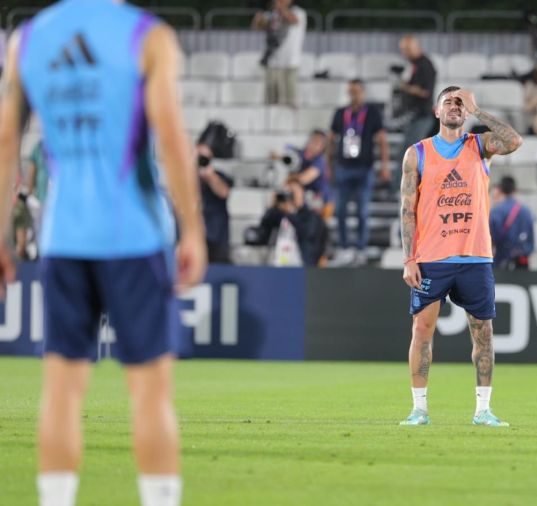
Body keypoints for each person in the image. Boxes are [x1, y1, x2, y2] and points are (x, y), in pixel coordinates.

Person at [0, 2, 207, 505]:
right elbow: (172, 139)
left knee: (62, 391)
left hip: (63, 238)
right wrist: (193, 230)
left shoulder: (26, 39)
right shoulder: (146, 35)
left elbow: (7, 140)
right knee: (150, 395)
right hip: (133, 237)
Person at [398, 86, 522, 427]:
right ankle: (418, 409)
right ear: (437, 112)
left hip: (475, 256)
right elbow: (407, 209)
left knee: (482, 332)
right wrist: (409, 258)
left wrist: (478, 111)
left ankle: (483, 410)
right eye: (448, 102)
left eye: (460, 103)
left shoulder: (479, 145)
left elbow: (514, 141)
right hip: (432, 257)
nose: (455, 107)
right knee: (422, 330)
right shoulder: (418, 153)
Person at [327, 79, 390, 266]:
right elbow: (331, 139)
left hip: (364, 168)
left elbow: (382, 139)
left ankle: (360, 249)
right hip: (343, 167)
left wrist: (385, 166)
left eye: (356, 91)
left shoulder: (371, 113)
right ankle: (345, 248)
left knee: (362, 211)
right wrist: (329, 166)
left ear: (363, 92)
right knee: (340, 211)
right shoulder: (341, 113)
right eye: (350, 92)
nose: (353, 95)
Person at [258, 180, 328, 267]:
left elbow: (307, 233)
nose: (289, 195)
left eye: (292, 192)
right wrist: (273, 205)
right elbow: (263, 230)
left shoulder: (310, 215)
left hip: (303, 266)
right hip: (278, 264)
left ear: (301, 193)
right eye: (287, 192)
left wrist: (291, 212)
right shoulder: (278, 214)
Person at [252, 0, 306, 107]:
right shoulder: (272, 13)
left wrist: (280, 8)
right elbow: (257, 26)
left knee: (289, 100)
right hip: (272, 61)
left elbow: (293, 20)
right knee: (270, 99)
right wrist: (258, 19)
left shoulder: (299, 12)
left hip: (290, 62)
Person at [271, 129, 332, 218]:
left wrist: (289, 180)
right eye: (313, 140)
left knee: (295, 188)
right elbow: (288, 157)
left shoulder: (320, 161)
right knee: (279, 192)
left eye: (318, 143)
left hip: (321, 204)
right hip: (305, 198)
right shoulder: (301, 154)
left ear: (322, 147)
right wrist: (278, 157)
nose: (314, 144)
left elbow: (304, 179)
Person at [397, 35, 437, 168]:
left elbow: (426, 92)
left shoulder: (425, 65)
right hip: (415, 115)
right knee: (409, 151)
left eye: (407, 50)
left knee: (410, 152)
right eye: (403, 50)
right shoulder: (414, 65)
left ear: (416, 48)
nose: (405, 53)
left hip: (422, 116)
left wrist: (406, 87)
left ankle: (403, 186)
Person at [197, 143, 234, 264]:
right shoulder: (188, 177)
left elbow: (224, 192)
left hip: (216, 237)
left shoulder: (218, 176)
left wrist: (210, 176)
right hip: (196, 235)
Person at [489, 176, 535, 271]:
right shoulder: (527, 212)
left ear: (500, 190)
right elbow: (531, 244)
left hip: (500, 262)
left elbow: (490, 239)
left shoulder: (496, 211)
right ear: (515, 190)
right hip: (521, 263)